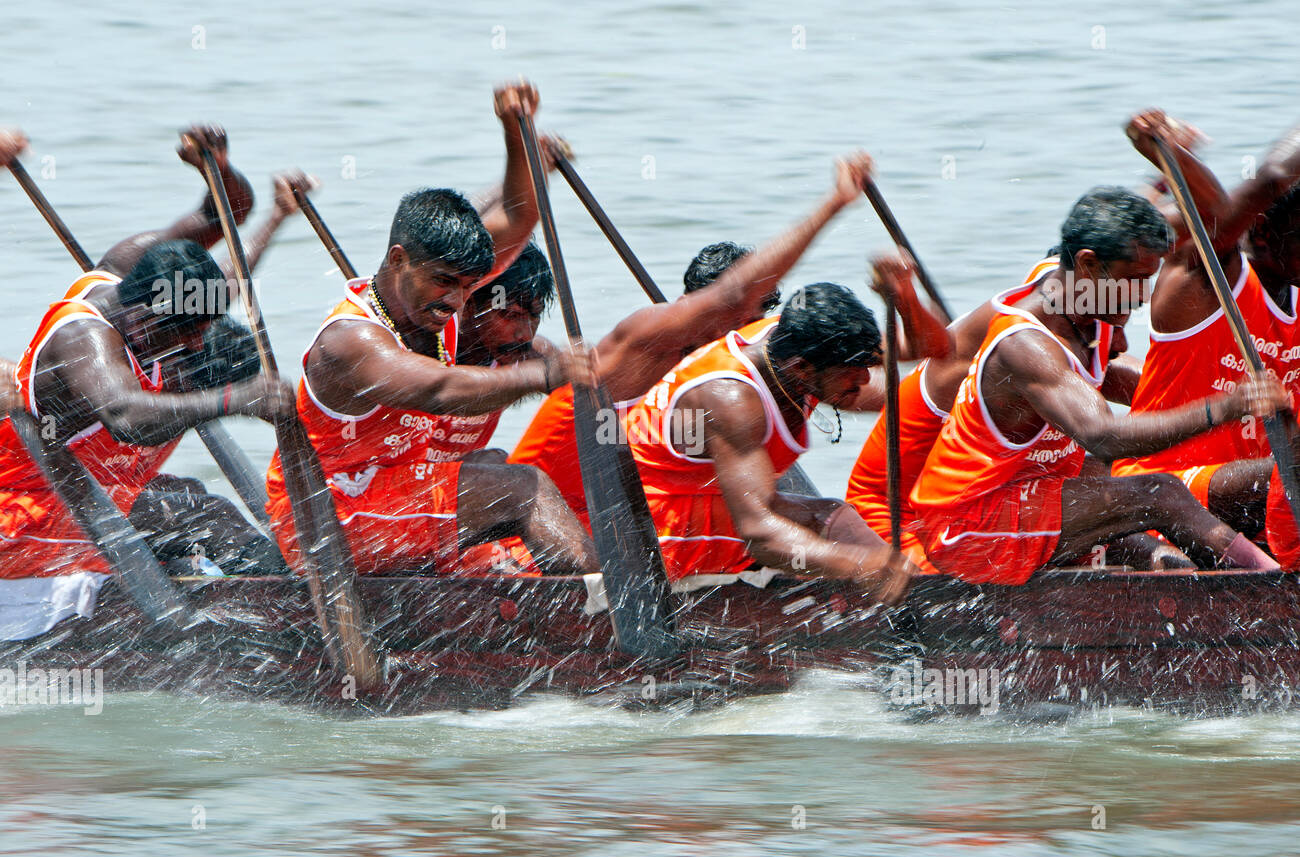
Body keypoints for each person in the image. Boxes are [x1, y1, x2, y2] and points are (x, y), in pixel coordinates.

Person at [265, 82, 600, 576]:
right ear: (398, 260)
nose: (455, 301)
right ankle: (604, 618)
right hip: (324, 523)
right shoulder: (350, 341)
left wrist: (515, 130)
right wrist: (549, 374)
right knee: (520, 487)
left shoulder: (437, 293)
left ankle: (554, 601)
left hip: (388, 494)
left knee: (491, 462)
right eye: (444, 283)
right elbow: (441, 390)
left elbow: (519, 214)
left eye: (468, 287)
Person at [909, 186, 1288, 585]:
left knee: (1158, 551)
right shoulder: (1025, 346)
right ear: (1089, 265)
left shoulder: (1080, 294)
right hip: (969, 527)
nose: (1143, 296)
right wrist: (1223, 408)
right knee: (1160, 493)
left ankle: (1226, 592)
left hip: (1035, 497)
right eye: (1136, 280)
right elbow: (1103, 436)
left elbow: (1208, 219)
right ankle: (1277, 586)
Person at [510, 152, 884, 526]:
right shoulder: (648, 336)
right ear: (691, 307)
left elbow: (853, 389)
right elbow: (733, 296)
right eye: (731, 323)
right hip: (545, 522)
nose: (743, 339)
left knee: (756, 446)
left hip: (639, 519)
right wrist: (834, 203)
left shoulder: (743, 361)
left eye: (752, 326)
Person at [0, 125, 296, 584]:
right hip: (21, 508)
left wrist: (218, 171)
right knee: (201, 515)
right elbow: (125, 415)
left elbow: (227, 220)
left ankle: (272, 595)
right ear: (141, 317)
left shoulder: (146, 274)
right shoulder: (84, 338)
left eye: (200, 330)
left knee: (188, 499)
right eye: (185, 335)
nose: (196, 345)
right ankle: (281, 618)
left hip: (86, 496)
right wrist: (234, 399)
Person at [623, 281, 913, 602]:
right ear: (801, 368)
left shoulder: (797, 335)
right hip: (656, 530)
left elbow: (924, 349)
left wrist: (907, 296)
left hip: (717, 496)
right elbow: (759, 534)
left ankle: (904, 599)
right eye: (851, 373)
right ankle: (884, 609)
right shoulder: (732, 400)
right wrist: (857, 564)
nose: (865, 381)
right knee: (827, 532)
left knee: (834, 518)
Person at [1112, 113, 1300, 537]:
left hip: (1258, 501)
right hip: (1162, 490)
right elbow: (1269, 180)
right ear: (1265, 232)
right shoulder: (1207, 275)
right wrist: (1165, 153)